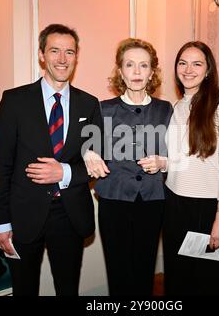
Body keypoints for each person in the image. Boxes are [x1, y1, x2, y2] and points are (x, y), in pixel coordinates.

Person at [0, 24, 103, 296]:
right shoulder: (14, 101)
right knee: (25, 290)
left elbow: (97, 162)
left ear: (76, 57)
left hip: (69, 215)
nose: (62, 59)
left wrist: (62, 172)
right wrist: (0, 224)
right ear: (41, 55)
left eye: (69, 52)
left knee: (68, 289)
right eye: (54, 51)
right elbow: (1, 166)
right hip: (22, 216)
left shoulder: (89, 104)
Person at [84, 38, 173, 295]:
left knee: (144, 270)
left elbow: (180, 155)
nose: (136, 72)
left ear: (152, 72)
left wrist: (163, 162)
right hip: (114, 202)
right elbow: (85, 146)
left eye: (143, 65)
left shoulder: (165, 109)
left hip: (153, 201)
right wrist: (88, 151)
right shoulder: (102, 109)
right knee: (118, 271)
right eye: (130, 65)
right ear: (120, 71)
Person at [162, 41, 219, 295]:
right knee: (179, 282)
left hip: (209, 210)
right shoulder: (177, 107)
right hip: (176, 207)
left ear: (208, 70)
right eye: (182, 63)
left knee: (209, 285)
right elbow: (180, 160)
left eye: (197, 63)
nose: (188, 69)